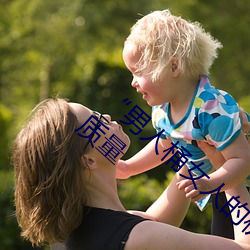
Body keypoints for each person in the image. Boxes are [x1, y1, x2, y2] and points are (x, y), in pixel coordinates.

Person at [13, 98, 250, 250]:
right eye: (97, 122)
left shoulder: (73, 234)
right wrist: (228, 168)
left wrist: (194, 138)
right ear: (88, 161)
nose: (106, 117)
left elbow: (155, 221)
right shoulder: (138, 238)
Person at [119, 9, 250, 239]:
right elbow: (166, 143)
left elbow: (242, 160)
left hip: (238, 184)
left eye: (138, 72)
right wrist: (130, 167)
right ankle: (136, 230)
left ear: (173, 67)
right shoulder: (163, 109)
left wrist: (211, 182)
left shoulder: (211, 109)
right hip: (215, 180)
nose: (132, 82)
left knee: (231, 240)